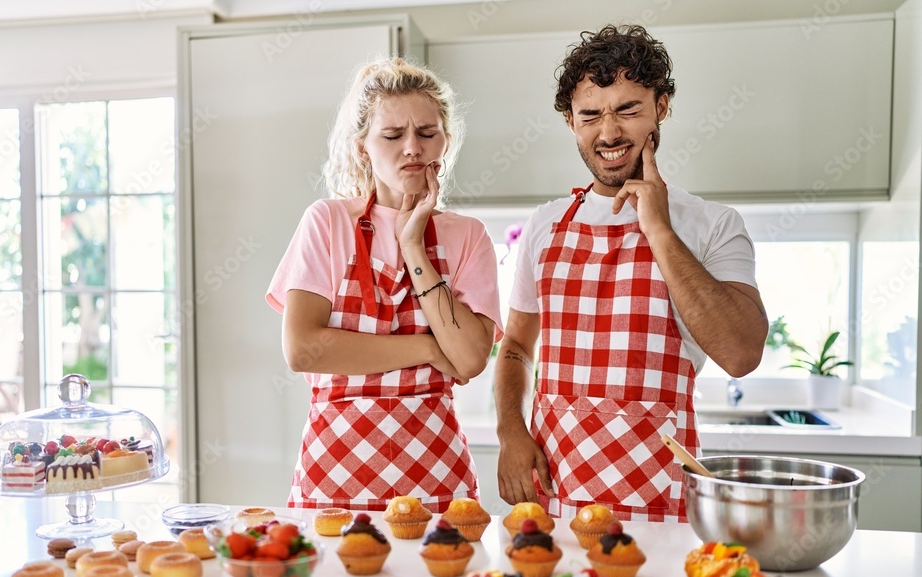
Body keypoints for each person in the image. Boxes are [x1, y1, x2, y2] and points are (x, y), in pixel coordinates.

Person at [494, 25, 768, 522]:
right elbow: (515, 344)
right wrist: (511, 429)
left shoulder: (712, 224)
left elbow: (741, 353)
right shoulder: (545, 224)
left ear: (661, 106)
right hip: (556, 493)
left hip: (658, 500)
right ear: (569, 122)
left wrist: (659, 229)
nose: (610, 133)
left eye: (628, 109)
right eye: (591, 115)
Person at [267, 58, 503, 513]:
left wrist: (413, 244)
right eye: (393, 136)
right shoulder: (328, 222)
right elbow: (304, 349)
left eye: (427, 133)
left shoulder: (468, 235)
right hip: (336, 474)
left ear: (446, 143)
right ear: (363, 148)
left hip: (434, 471)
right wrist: (430, 349)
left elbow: (471, 358)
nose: (412, 148)